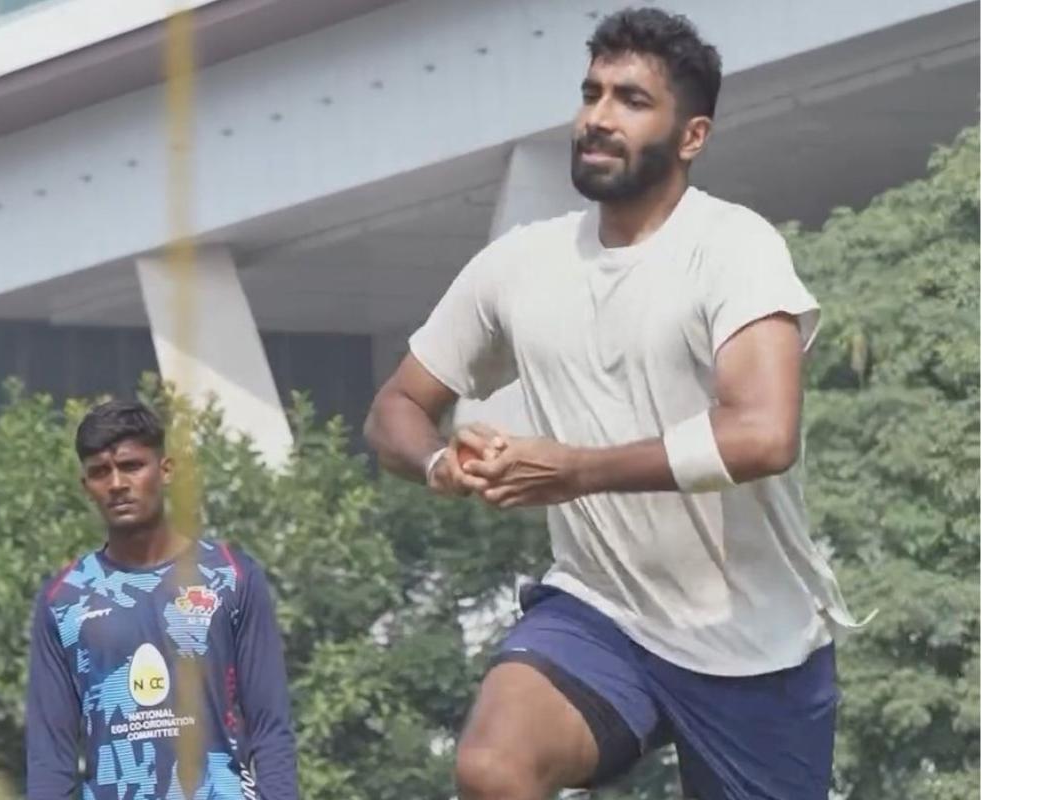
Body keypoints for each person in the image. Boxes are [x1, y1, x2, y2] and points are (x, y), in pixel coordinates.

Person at [364, 7, 864, 799]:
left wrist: (575, 471)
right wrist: (439, 463)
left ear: (691, 136)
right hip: (603, 614)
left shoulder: (734, 249)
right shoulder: (519, 264)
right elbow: (397, 404)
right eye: (591, 93)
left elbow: (765, 435)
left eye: (631, 100)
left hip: (757, 648)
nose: (597, 117)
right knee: (494, 768)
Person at [25, 400, 298, 800]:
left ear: (165, 470)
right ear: (87, 487)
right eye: (100, 473)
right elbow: (49, 758)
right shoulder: (64, 598)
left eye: (132, 466)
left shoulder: (231, 577)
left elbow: (271, 728)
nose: (117, 483)